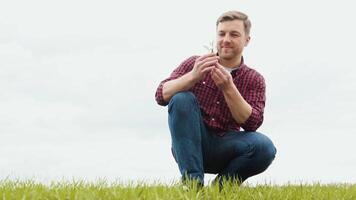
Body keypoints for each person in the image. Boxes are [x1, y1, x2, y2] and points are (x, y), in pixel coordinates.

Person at [155, 10, 276, 187]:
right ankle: (192, 186)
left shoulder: (254, 79)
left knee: (264, 147)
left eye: (234, 34)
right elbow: (161, 95)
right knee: (181, 98)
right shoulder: (195, 63)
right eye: (222, 33)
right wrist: (193, 76)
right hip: (191, 145)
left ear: (247, 40)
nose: (226, 39)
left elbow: (253, 123)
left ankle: (220, 189)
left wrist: (229, 88)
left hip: (227, 147)